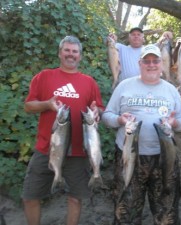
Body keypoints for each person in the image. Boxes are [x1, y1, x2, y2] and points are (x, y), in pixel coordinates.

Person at [102, 44, 181, 225]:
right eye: (146, 61)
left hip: (164, 158)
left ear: (161, 63)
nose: (151, 65)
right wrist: (120, 120)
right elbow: (107, 116)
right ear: (139, 63)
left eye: (155, 61)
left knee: (166, 213)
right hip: (129, 157)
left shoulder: (170, 90)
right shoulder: (124, 86)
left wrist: (174, 123)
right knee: (126, 212)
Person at [22, 36, 105, 225]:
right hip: (46, 148)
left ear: (80, 56)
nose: (71, 54)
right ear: (60, 53)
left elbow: (99, 107)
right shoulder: (44, 76)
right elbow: (28, 106)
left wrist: (96, 111)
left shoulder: (89, 82)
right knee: (30, 196)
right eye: (67, 50)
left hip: (78, 150)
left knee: (75, 198)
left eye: (75, 51)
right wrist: (47, 104)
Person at [107, 27, 173, 83]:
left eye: (139, 34)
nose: (136, 36)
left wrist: (166, 34)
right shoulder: (121, 48)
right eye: (133, 34)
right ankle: (115, 81)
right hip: (125, 87)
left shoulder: (149, 49)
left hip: (145, 87)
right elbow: (109, 44)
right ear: (129, 38)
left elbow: (161, 42)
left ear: (143, 38)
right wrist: (112, 37)